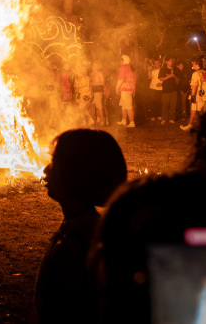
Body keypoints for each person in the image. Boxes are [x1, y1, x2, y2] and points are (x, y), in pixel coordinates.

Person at [34, 128, 127, 324]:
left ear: (74, 175)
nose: (45, 169)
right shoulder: (87, 228)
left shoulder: (74, 245)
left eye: (54, 163)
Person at [182, 57, 206, 131]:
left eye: (193, 63)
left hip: (197, 96)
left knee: (195, 112)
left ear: (197, 64)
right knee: (197, 111)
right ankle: (191, 125)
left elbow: (194, 86)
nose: (192, 64)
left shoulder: (195, 73)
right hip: (205, 95)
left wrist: (193, 95)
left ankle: (193, 126)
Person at [115, 55, 136, 128]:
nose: (120, 62)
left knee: (128, 106)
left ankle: (132, 122)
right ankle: (124, 121)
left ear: (123, 60)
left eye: (121, 60)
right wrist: (134, 89)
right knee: (124, 106)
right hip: (129, 89)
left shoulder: (123, 67)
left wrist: (117, 87)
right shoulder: (130, 68)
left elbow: (121, 79)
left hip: (125, 89)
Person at [158, 57, 178, 123]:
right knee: (165, 105)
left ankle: (171, 118)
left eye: (172, 61)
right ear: (166, 62)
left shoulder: (175, 69)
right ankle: (164, 119)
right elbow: (160, 78)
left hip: (174, 89)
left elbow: (178, 80)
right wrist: (168, 76)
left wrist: (174, 76)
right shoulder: (163, 69)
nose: (171, 62)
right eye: (169, 61)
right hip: (166, 89)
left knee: (173, 105)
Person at [90, 61, 107, 126]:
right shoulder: (92, 74)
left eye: (95, 65)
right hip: (94, 91)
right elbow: (91, 82)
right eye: (93, 65)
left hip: (98, 91)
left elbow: (102, 82)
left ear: (97, 67)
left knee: (99, 107)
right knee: (96, 106)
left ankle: (102, 121)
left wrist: (94, 84)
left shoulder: (100, 73)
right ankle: (98, 119)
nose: (93, 66)